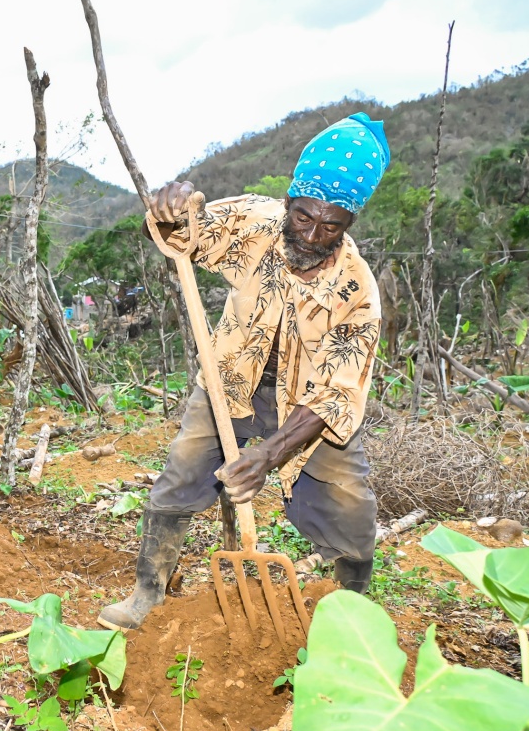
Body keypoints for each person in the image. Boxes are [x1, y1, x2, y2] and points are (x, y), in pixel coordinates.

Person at [98, 112, 389, 632]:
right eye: (304, 217)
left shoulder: (357, 291)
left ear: (349, 225)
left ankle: (351, 622)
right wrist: (175, 206)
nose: (314, 234)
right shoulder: (255, 224)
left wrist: (271, 454)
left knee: (350, 507)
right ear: (288, 202)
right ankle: (147, 595)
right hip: (229, 382)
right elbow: (187, 233)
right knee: (180, 477)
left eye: (331, 225)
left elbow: (338, 394)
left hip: (308, 412)